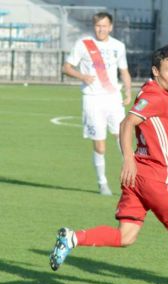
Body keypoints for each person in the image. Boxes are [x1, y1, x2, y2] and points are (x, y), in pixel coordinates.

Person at [49, 44, 168, 284]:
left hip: (138, 178)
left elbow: (127, 122)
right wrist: (128, 159)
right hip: (156, 177)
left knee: (126, 236)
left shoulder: (150, 90)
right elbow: (127, 123)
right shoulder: (157, 97)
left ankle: (73, 238)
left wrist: (131, 162)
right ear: (156, 71)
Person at [62, 11, 132, 196]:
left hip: (113, 98)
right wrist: (82, 76)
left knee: (122, 139)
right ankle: (102, 183)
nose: (101, 29)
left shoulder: (119, 46)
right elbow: (67, 67)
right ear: (94, 27)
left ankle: (133, 182)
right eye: (97, 26)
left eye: (104, 26)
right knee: (100, 145)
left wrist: (128, 91)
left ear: (111, 27)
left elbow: (124, 71)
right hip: (92, 99)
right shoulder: (84, 45)